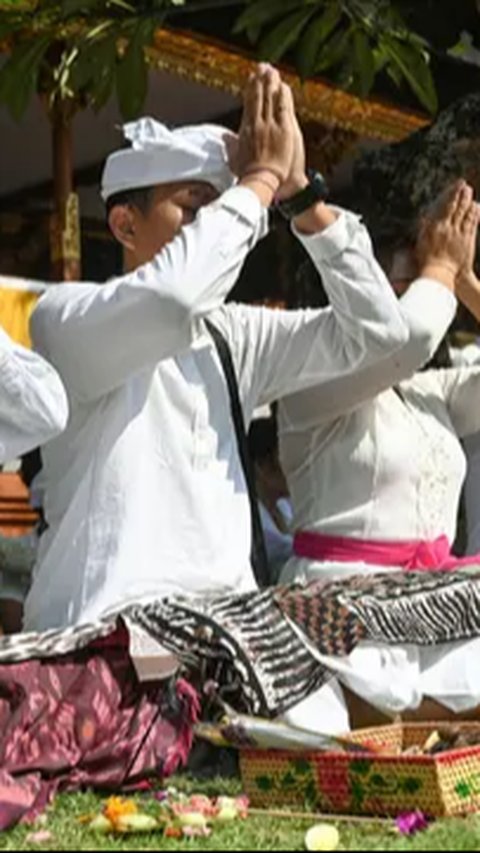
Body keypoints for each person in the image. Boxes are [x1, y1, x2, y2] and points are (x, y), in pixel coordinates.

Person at [24, 65, 413, 631]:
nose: (213, 225)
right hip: (105, 640)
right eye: (191, 207)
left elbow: (379, 333)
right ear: (124, 225)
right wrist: (258, 181)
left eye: (218, 209)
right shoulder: (65, 317)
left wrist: (304, 199)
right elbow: (174, 299)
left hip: (226, 638)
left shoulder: (231, 334)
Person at [278, 182, 480, 728]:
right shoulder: (308, 384)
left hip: (434, 602)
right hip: (338, 609)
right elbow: (401, 338)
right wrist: (438, 267)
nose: (424, 297)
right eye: (406, 285)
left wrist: (464, 282)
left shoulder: (432, 391)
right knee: (375, 724)